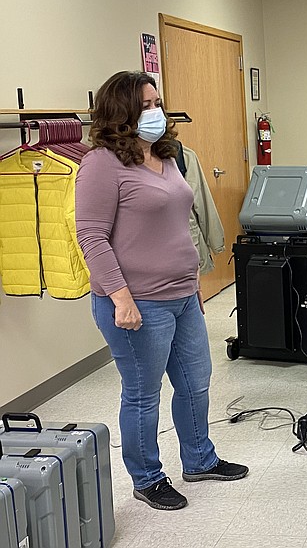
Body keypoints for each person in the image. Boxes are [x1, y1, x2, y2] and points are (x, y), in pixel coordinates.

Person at [75, 71, 248, 511]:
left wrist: (192, 287)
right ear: (122, 112)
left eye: (158, 102)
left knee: (195, 382)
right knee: (142, 392)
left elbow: (176, 225)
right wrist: (120, 297)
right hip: (136, 301)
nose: (157, 112)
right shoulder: (101, 163)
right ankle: (147, 477)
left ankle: (200, 459)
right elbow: (92, 236)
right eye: (147, 105)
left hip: (182, 296)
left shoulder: (167, 155)